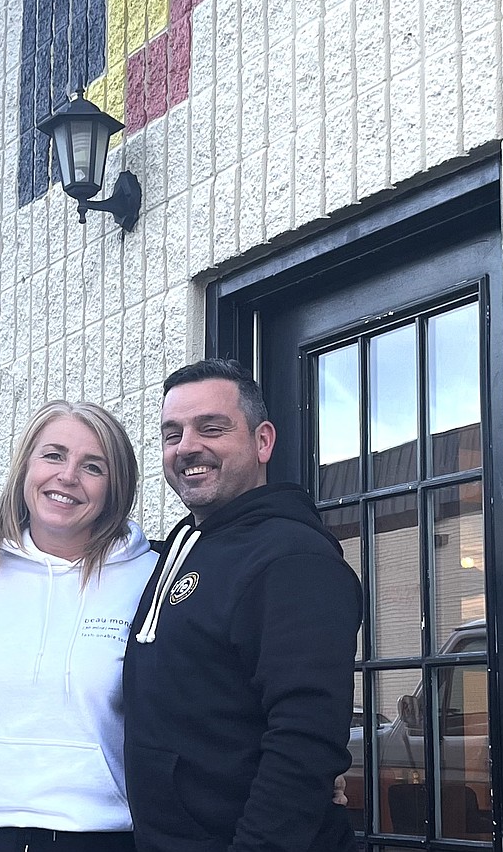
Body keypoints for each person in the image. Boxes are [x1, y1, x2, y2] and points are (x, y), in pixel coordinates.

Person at [122, 358, 363, 852]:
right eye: (173, 434)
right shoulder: (187, 546)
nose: (188, 446)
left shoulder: (292, 559)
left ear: (263, 441)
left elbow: (304, 744)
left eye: (212, 427)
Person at [0, 400, 157, 852]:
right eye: (54, 455)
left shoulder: (150, 578)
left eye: (93, 466)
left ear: (115, 487)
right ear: (26, 468)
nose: (68, 476)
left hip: (105, 834)